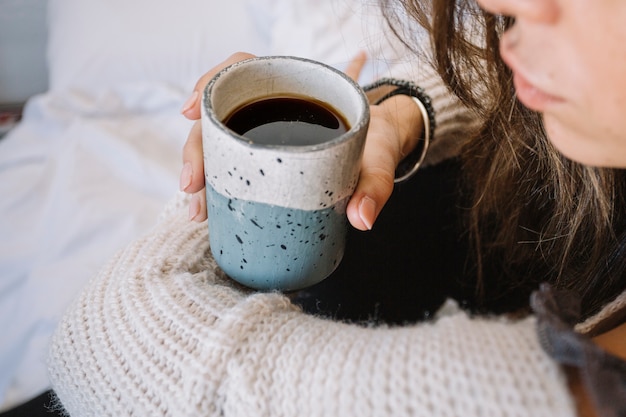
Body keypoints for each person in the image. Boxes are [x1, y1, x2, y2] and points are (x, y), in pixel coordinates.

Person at [47, 0, 626, 416]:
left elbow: (91, 341)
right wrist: (401, 111)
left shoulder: (531, 393)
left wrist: (233, 177)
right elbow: (492, 72)